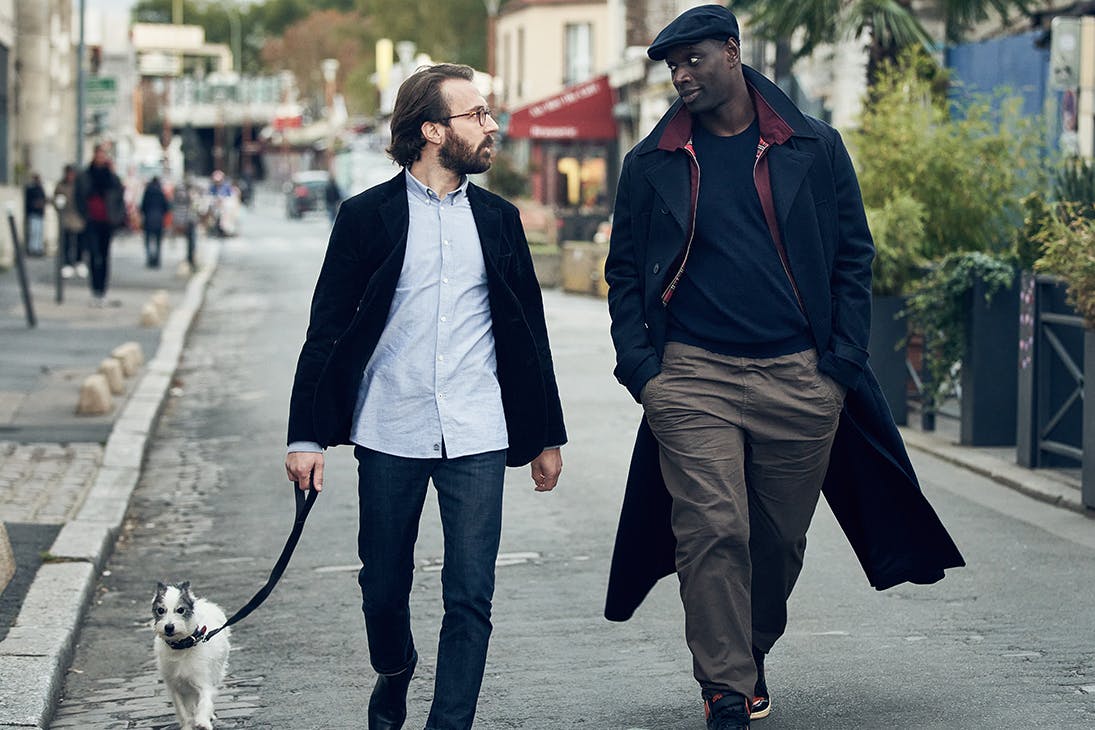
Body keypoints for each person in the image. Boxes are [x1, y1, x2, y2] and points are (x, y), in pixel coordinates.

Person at [602, 6, 964, 730]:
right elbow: (621, 272)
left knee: (775, 540)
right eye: (671, 66)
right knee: (711, 529)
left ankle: (746, 648)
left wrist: (838, 366)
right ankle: (725, 689)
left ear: (732, 53)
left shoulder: (813, 147)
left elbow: (853, 257)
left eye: (693, 60)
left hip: (799, 379)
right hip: (692, 377)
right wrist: (645, 371)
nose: (680, 76)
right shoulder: (652, 162)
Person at [284, 63, 566, 730]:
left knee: (471, 595)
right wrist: (305, 434)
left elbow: (528, 334)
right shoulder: (364, 218)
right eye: (476, 115)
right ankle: (394, 669)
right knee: (382, 588)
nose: (492, 124)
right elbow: (326, 328)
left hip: (477, 429)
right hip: (391, 427)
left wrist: (546, 436)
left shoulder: (500, 220)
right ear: (433, 130)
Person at [75, 143, 126, 305]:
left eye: (103, 154)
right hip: (92, 220)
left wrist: (116, 218)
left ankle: (102, 289)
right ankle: (94, 289)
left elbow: (119, 199)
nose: (101, 157)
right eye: (99, 154)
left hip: (107, 221)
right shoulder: (85, 175)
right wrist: (84, 214)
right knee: (93, 254)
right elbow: (79, 197)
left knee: (104, 256)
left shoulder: (112, 177)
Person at [53, 164, 86, 277]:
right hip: (66, 216)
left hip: (78, 216)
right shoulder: (61, 185)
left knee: (79, 242)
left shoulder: (79, 185)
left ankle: (79, 262)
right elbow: (56, 199)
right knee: (66, 242)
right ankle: (67, 264)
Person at [140, 176, 169, 268]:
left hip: (148, 219)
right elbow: (166, 207)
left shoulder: (147, 192)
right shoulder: (161, 192)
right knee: (158, 241)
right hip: (159, 219)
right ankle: (157, 260)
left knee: (148, 240)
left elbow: (143, 206)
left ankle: (149, 259)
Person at [172, 176, 198, 271]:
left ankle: (190, 259)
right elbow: (181, 207)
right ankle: (189, 260)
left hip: (189, 220)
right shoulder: (182, 193)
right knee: (189, 241)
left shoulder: (184, 192)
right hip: (185, 220)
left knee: (191, 242)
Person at [24, 173, 47, 256]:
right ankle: (33, 248)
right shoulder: (30, 189)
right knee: (33, 232)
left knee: (39, 232)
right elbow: (28, 201)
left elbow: (44, 199)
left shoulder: (41, 189)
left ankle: (39, 248)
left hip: (40, 213)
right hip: (33, 213)